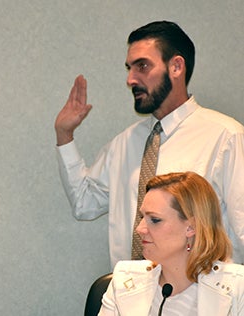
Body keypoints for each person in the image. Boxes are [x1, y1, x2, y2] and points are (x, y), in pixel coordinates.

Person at [55, 21, 244, 268]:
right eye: (129, 68)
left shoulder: (226, 137)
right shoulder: (124, 144)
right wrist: (64, 134)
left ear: (176, 67)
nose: (131, 79)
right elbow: (84, 204)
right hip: (130, 299)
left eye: (142, 66)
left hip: (203, 299)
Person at [99, 172, 244, 315]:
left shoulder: (238, 287)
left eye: (155, 220)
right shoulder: (124, 279)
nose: (140, 229)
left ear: (191, 227)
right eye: (142, 217)